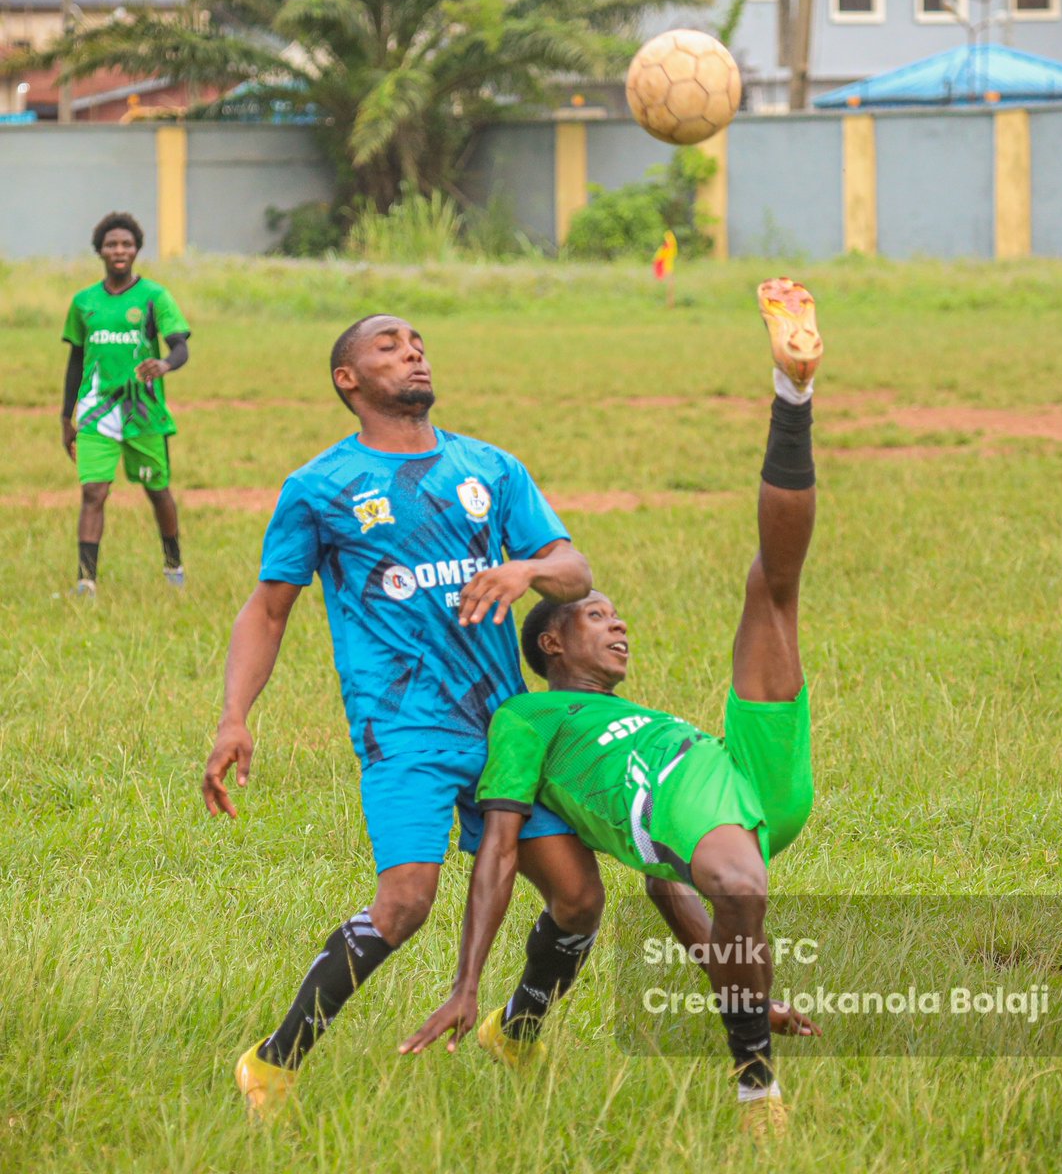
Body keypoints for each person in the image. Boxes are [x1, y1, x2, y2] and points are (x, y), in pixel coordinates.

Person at [401, 278, 824, 1140]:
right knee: (742, 884)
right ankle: (756, 1096)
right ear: (550, 645)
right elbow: (500, 846)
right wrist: (465, 979)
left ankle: (794, 390)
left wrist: (746, 982)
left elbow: (677, 896)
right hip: (689, 803)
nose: (616, 621)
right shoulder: (526, 721)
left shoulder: (635, 718)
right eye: (595, 615)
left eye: (614, 614)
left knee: (771, 589)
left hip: (737, 772)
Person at [202, 313, 605, 1118]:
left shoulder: (488, 467)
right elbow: (270, 608)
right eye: (387, 345)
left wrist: (527, 569)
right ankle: (272, 1064)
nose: (411, 351)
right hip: (405, 731)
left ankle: (514, 1029)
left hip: (508, 730)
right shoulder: (320, 488)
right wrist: (234, 717)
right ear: (347, 380)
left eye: (416, 341)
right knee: (404, 905)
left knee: (579, 900)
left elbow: (574, 568)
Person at [61, 212, 191, 596]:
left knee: (157, 490)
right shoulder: (84, 302)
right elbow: (75, 361)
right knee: (93, 492)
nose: (119, 250)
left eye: (126, 244)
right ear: (100, 251)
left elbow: (180, 346)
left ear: (136, 249)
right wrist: (64, 417)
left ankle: (173, 567)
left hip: (143, 412)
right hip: (95, 412)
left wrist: (165, 364)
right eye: (112, 244)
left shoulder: (154, 297)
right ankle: (86, 582)